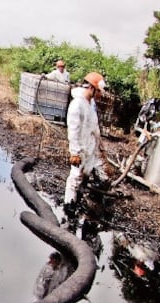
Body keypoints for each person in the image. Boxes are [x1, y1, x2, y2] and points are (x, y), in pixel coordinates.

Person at [63, 71, 107, 217]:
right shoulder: (77, 104)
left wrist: (100, 148)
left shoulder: (91, 104)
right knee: (75, 178)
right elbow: (73, 129)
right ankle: (68, 206)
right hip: (80, 148)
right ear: (92, 88)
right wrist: (74, 152)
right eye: (99, 92)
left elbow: (95, 128)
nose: (100, 95)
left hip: (90, 148)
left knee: (85, 176)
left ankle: (78, 204)